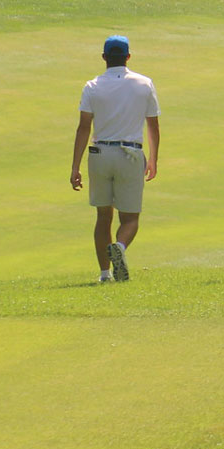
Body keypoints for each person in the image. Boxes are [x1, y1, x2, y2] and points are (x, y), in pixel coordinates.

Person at [70, 36, 160, 283]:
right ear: (128, 57)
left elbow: (83, 128)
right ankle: (119, 246)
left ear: (104, 57)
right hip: (130, 154)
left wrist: (75, 166)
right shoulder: (144, 84)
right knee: (130, 218)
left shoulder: (92, 86)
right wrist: (153, 159)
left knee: (103, 216)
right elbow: (153, 125)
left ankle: (104, 274)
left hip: (99, 154)